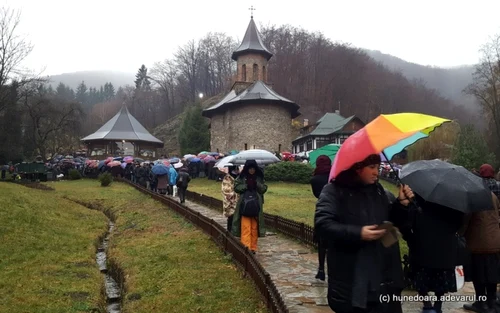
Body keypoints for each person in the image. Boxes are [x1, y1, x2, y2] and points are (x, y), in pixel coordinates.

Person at [315, 154, 414, 313]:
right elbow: (323, 224)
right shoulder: (334, 191)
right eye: (372, 167)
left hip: (383, 276)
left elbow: (392, 222)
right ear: (357, 168)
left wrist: (401, 205)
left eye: (378, 167)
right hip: (352, 279)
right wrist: (358, 233)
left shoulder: (379, 191)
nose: (377, 172)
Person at [409, 194, 464, 313]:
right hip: (446, 248)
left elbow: (413, 221)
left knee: (421, 278)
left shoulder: (422, 197)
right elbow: (459, 223)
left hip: (424, 246)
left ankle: (428, 305)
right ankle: (438, 306)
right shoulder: (454, 201)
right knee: (441, 280)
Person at [462, 163, 500, 313]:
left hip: (478, 243)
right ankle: (492, 303)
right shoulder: (492, 196)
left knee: (479, 276)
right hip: (495, 241)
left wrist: (460, 234)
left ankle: (481, 303)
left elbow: (466, 220)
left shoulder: (473, 196)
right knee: (491, 275)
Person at [232, 160, 267, 254]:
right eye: (250, 168)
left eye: (253, 168)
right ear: (247, 169)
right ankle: (246, 247)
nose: (252, 170)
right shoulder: (242, 177)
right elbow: (236, 188)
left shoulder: (259, 177)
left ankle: (253, 247)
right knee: (245, 227)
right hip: (245, 204)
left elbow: (264, 189)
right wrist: (246, 186)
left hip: (256, 205)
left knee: (254, 228)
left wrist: (257, 184)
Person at [310, 155, 332, 281]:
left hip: (321, 209)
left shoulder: (314, 179)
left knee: (321, 243)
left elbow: (316, 194)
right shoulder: (333, 177)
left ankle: (321, 269)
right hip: (334, 208)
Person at [222, 166, 239, 232]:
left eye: (237, 169)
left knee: (237, 216)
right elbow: (226, 190)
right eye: (235, 169)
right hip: (230, 201)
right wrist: (234, 193)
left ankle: (236, 230)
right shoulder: (227, 178)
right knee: (231, 216)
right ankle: (230, 231)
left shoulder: (238, 177)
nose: (236, 171)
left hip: (238, 200)